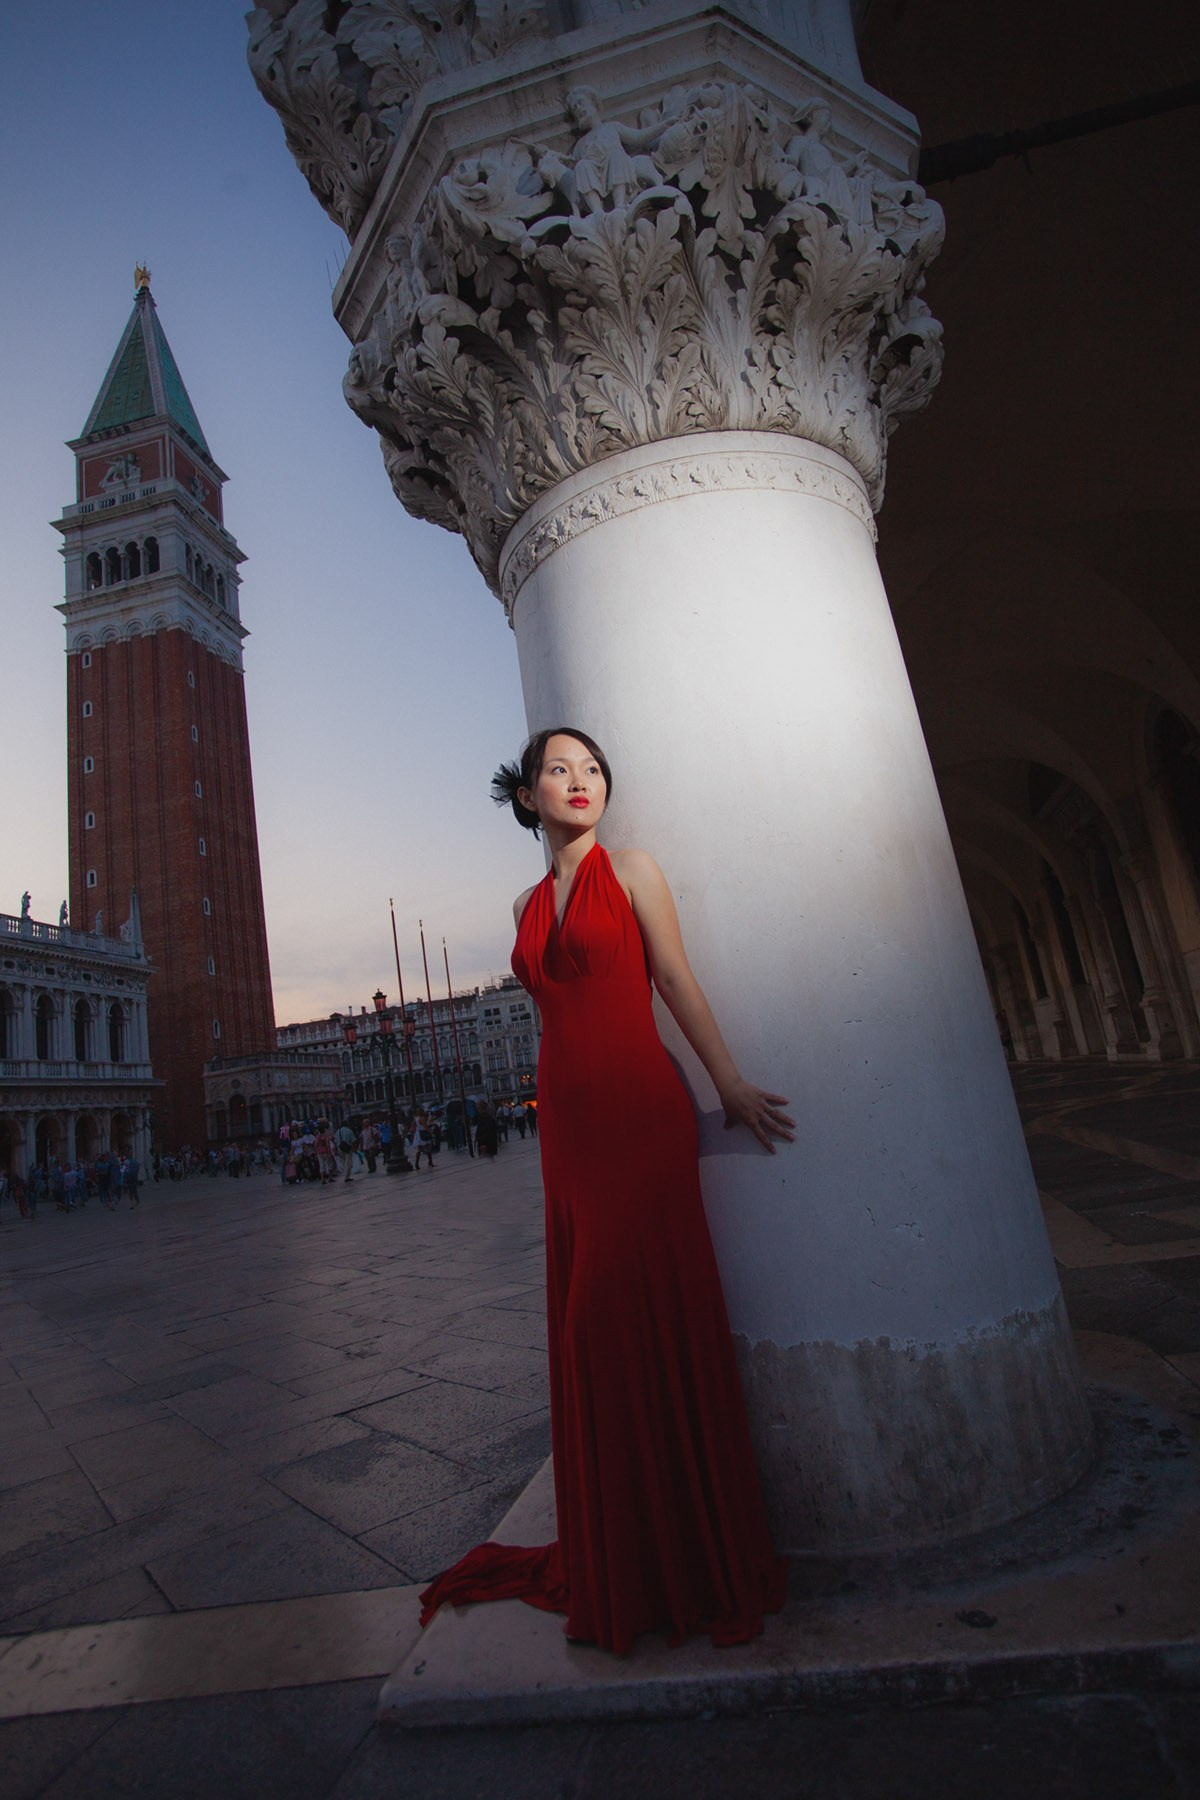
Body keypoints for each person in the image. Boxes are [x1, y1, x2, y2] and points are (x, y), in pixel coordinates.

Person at [419, 728, 792, 1655]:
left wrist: (729, 1084)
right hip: (568, 1133)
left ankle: (685, 1558)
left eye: (593, 771)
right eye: (561, 769)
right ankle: (631, 1557)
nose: (581, 782)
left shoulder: (633, 871)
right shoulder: (521, 901)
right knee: (593, 1345)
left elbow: (672, 977)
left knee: (616, 1323)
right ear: (528, 795)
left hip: (640, 1112)